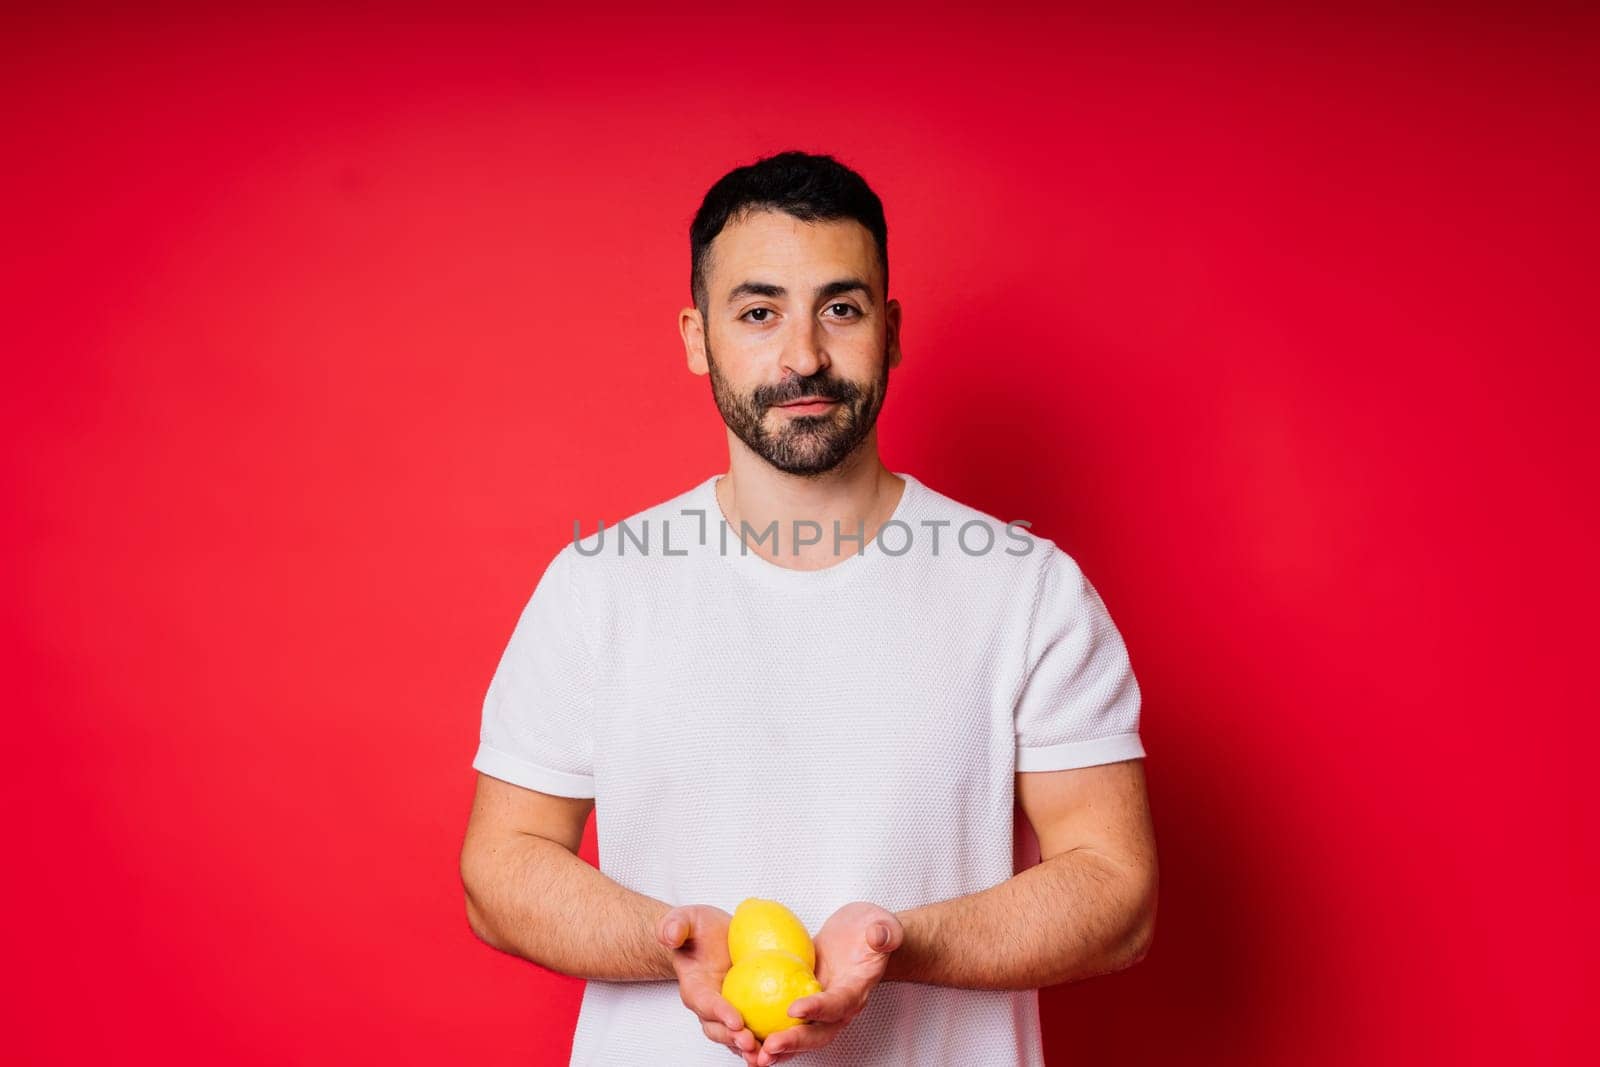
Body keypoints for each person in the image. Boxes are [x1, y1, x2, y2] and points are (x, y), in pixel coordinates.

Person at [459, 150, 1158, 1066]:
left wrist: (900, 944)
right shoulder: (599, 585)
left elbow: (1119, 890)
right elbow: (498, 869)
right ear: (696, 336)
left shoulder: (1026, 588)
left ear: (891, 329)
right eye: (758, 312)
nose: (803, 357)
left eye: (841, 307)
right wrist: (672, 938)